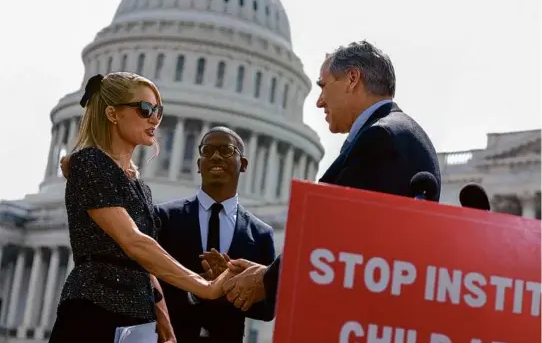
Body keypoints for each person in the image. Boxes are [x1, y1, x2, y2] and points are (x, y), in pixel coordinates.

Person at [222, 40, 442, 312]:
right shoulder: (400, 134)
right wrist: (266, 275)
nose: (319, 101)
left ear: (352, 79)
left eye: (324, 86)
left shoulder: (381, 139)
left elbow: (336, 236)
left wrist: (266, 280)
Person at [51, 72, 231, 342]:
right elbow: (134, 242)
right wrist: (204, 286)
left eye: (158, 111)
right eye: (145, 109)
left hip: (136, 317)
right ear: (112, 114)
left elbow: (144, 265)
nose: (155, 119)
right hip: (95, 307)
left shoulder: (138, 185)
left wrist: (164, 323)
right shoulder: (90, 164)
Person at [155, 126, 276, 343]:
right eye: (207, 151)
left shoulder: (260, 233)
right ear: (199, 165)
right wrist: (197, 288)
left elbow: (267, 311)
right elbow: (149, 283)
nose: (216, 157)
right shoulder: (165, 218)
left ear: (244, 164)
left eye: (226, 150)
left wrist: (231, 287)